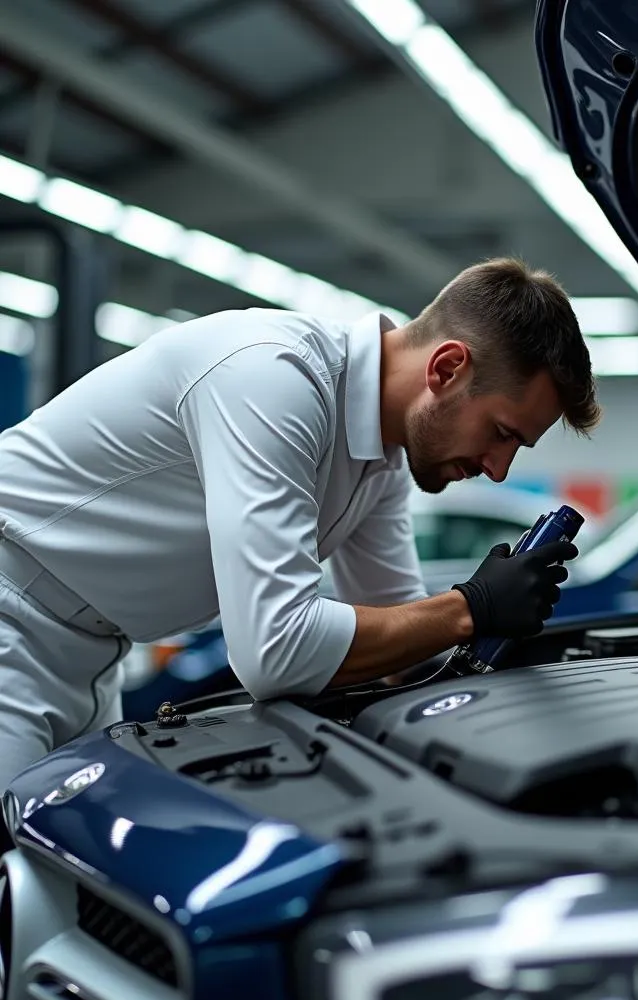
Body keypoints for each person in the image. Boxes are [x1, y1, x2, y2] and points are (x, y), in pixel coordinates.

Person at [0, 257, 600, 790]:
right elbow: (275, 652)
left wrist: (501, 656)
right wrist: (470, 608)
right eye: (501, 433)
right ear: (446, 368)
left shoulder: (380, 456)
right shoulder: (272, 378)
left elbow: (395, 638)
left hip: (90, 651)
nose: (499, 470)